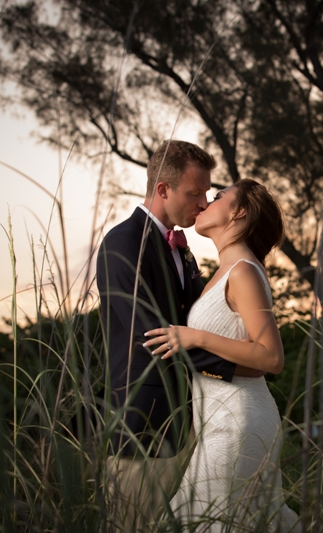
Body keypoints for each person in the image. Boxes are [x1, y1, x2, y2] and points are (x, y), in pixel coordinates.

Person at [96, 139, 263, 531]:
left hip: (189, 423)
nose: (204, 202)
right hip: (144, 429)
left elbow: (195, 323)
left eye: (208, 192)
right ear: (162, 190)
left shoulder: (182, 250)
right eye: (195, 193)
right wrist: (239, 365)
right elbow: (155, 337)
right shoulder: (122, 245)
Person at [144, 179, 300, 532]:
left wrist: (196, 336)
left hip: (239, 422)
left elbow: (271, 358)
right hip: (217, 420)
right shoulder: (223, 273)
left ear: (239, 211)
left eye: (217, 197)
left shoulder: (244, 271)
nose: (205, 204)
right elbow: (249, 362)